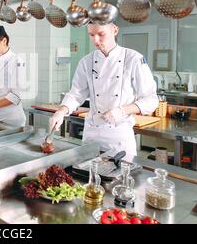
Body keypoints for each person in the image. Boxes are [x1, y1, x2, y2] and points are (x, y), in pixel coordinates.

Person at [49, 23, 158, 156]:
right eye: (91, 35)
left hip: (119, 137)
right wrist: (61, 112)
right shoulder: (86, 62)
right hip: (92, 134)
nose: (95, 40)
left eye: (101, 34)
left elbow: (151, 100)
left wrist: (122, 110)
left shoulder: (134, 59)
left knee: (119, 176)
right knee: (86, 175)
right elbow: (76, 94)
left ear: (115, 30)